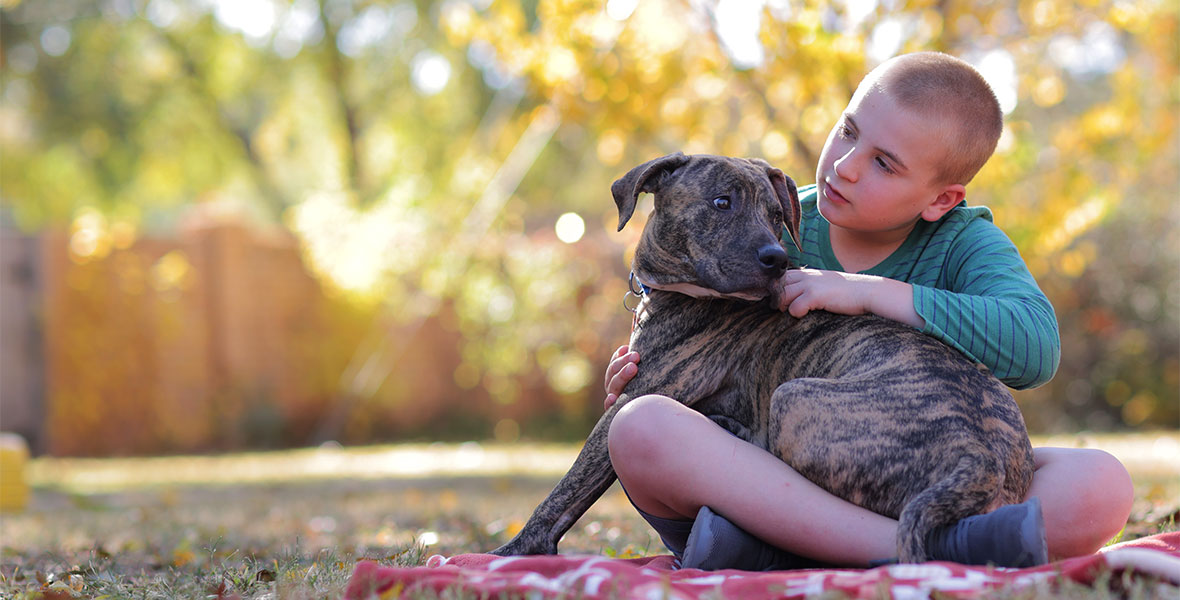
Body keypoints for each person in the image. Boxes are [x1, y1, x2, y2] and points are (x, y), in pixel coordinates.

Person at [601, 52, 1133, 570]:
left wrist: (868, 292)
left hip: (917, 459)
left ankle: (791, 549)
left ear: (940, 200)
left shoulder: (963, 242)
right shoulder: (769, 222)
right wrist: (642, 374)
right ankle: (928, 548)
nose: (846, 166)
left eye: (884, 163)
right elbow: (681, 324)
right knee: (640, 427)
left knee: (1100, 482)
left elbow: (1035, 345)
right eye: (848, 130)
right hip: (774, 462)